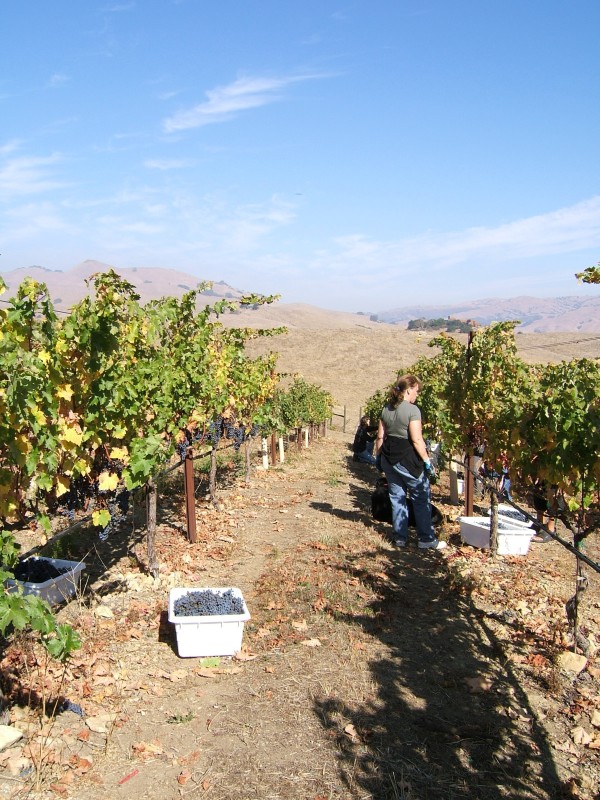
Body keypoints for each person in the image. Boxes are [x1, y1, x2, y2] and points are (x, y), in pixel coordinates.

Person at [374, 374, 446, 550]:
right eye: (416, 391)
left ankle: (400, 538)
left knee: (397, 498)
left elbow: (380, 436)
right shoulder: (413, 411)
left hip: (388, 459)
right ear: (408, 389)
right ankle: (426, 538)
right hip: (408, 460)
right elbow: (416, 440)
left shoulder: (386, 408)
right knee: (420, 498)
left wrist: (379, 456)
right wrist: (427, 461)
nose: (417, 394)